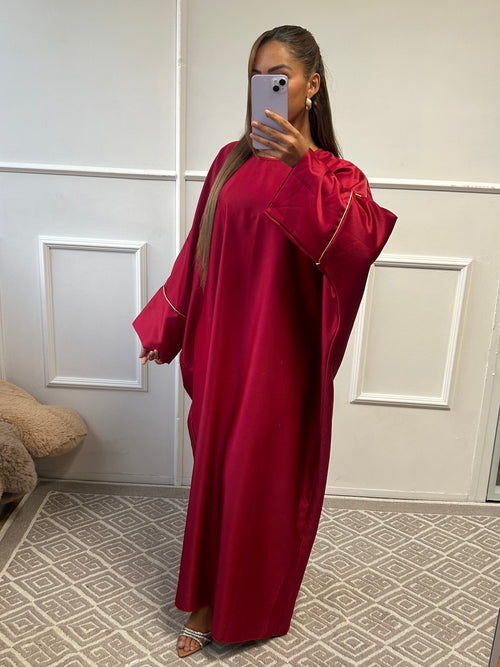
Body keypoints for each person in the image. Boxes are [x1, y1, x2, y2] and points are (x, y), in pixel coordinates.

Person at [133, 25, 397, 658]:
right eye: (257, 78)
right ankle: (204, 598)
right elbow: (196, 251)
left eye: (279, 77)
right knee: (216, 471)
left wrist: (300, 167)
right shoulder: (229, 161)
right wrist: (167, 324)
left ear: (311, 84)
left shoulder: (339, 177)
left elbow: (358, 246)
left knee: (262, 478)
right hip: (223, 346)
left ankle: (249, 607)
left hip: (282, 358)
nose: (266, 88)